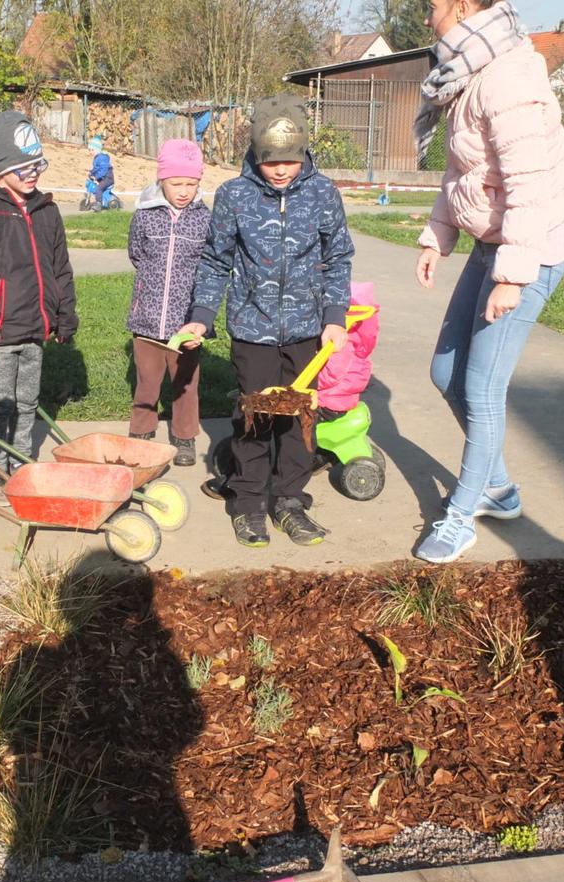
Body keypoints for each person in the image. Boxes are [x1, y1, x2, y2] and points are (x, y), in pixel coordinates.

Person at [411, 0, 564, 563]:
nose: (426, 15)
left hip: (527, 252)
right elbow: (465, 172)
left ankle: (462, 515)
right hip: (492, 244)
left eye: (432, 5)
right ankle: (499, 487)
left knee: (481, 388)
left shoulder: (509, 77)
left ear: (460, 5)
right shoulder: (469, 71)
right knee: (443, 372)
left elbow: (529, 182)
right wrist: (438, 235)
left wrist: (514, 274)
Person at [178, 94, 355, 548]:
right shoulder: (235, 196)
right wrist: (201, 316)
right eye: (270, 160)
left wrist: (334, 316)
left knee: (299, 422)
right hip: (252, 330)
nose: (280, 170)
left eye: (290, 161)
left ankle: (290, 501)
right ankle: (249, 503)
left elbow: (338, 259)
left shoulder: (323, 194)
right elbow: (216, 261)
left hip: (306, 332)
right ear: (255, 153)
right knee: (254, 418)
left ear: (304, 153)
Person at [0, 111, 78, 506]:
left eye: (37, 164)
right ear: (2, 167)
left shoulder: (47, 210)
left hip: (34, 329)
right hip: (0, 332)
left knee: (27, 404)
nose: (33, 174)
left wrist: (64, 315)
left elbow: (61, 269)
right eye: (24, 167)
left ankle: (20, 464)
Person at [125, 139, 211, 465]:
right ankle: (142, 432)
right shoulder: (145, 216)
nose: (184, 190)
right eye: (177, 183)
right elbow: (136, 253)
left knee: (186, 384)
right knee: (147, 381)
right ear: (162, 180)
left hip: (186, 320)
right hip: (146, 317)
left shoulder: (204, 218)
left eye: (192, 183)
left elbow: (209, 264)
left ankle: (184, 436)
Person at [315, 282, 380, 423]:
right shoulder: (355, 337)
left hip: (328, 403)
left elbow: (331, 374)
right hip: (339, 398)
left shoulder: (340, 340)